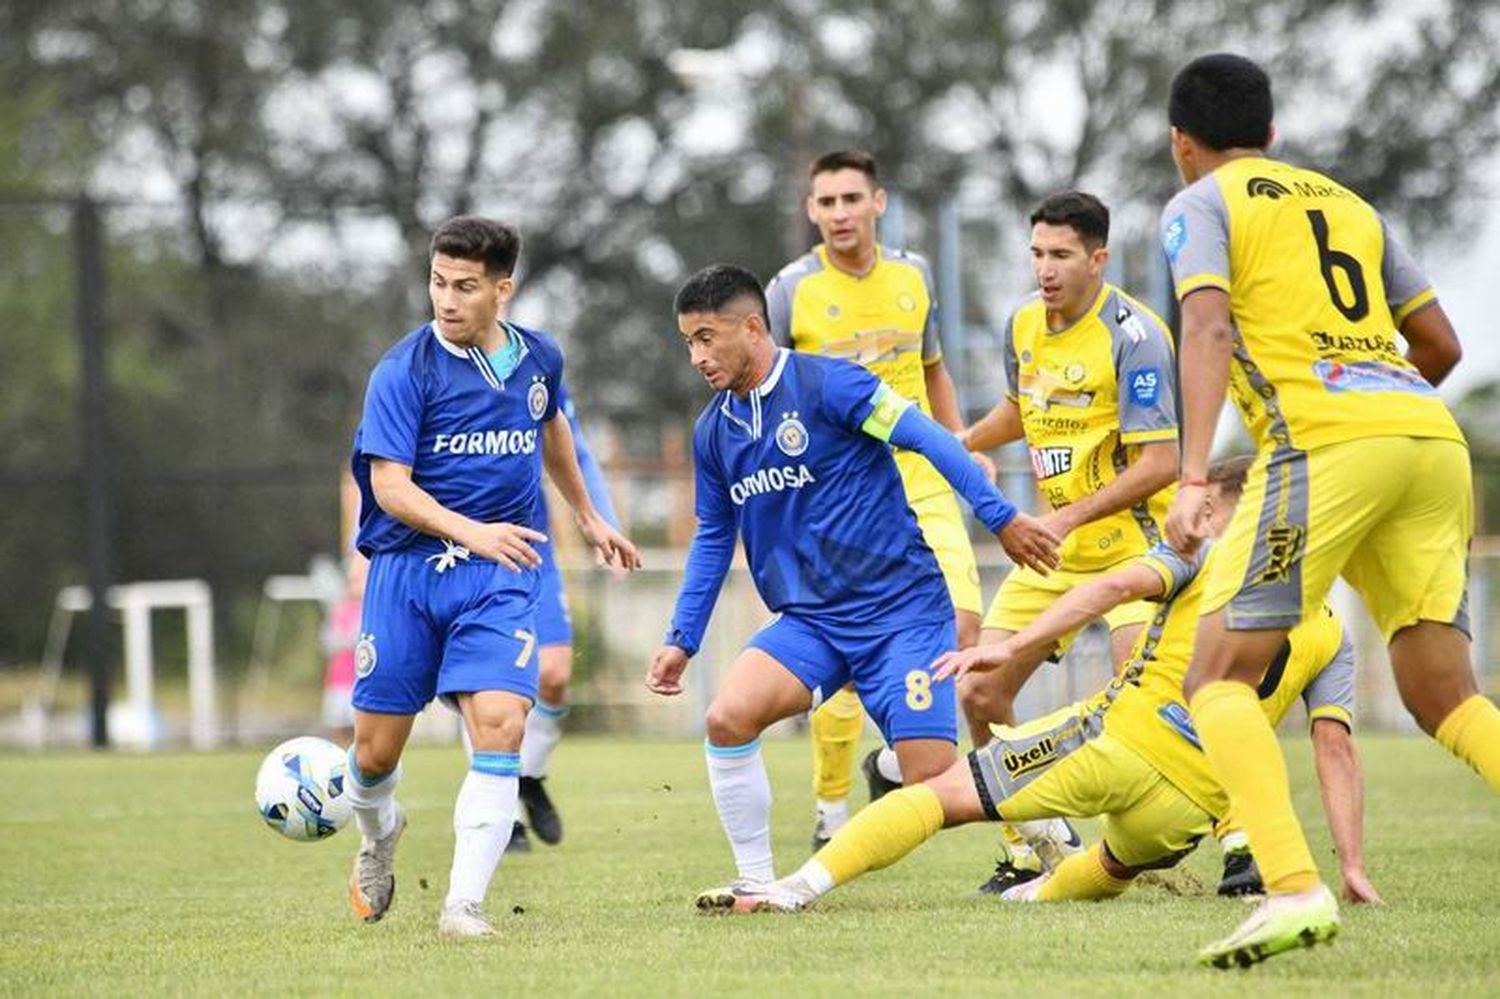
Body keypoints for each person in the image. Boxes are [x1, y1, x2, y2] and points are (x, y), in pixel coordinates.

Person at [1159, 53, 1498, 968]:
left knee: (1216, 677)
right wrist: (1378, 412)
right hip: (1428, 436)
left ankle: (1292, 888)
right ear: (1272, 134)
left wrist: (1194, 477)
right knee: (1447, 697)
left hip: (1322, 443)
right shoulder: (1351, 205)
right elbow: (1439, 342)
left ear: (1180, 143)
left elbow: (1207, 326)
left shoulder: (1200, 204)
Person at [712, 457, 1377, 914]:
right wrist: (1351, 864)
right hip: (1190, 806)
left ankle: (795, 887)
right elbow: (1335, 750)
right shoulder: (1333, 634)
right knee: (1114, 867)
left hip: (1115, 744)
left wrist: (1009, 648)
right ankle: (1031, 896)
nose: (1199, 516)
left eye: (1213, 506)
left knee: (941, 795)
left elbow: (1113, 585)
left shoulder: (1203, 564)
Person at [646, 264, 1059, 906]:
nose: (697, 356)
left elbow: (930, 439)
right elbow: (710, 537)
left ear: (752, 328)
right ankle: (754, 881)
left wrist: (1001, 517)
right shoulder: (714, 431)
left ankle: (1048, 828)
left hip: (901, 612)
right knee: (727, 717)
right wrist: (682, 638)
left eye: (706, 337)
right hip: (811, 622)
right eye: (688, 343)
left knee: (933, 783)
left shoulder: (830, 384)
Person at [345, 216, 639, 938]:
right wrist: (475, 529)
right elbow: (391, 488)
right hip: (407, 574)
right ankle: (378, 832)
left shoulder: (539, 358)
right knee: (375, 752)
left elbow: (552, 430)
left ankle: (462, 906)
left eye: (465, 286)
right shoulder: (402, 371)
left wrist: (591, 514)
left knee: (503, 724)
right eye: (438, 283)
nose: (446, 299)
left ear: (502, 289)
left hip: (498, 574)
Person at [955, 191, 1181, 891]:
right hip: (1056, 555)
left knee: (1141, 700)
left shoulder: (1136, 335)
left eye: (1061, 255)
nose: (1045, 269)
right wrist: (956, 445)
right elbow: (1021, 410)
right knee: (979, 686)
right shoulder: (1023, 322)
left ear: (1098, 258)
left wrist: (1062, 517)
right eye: (1037, 254)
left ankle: (1234, 837)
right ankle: (1037, 841)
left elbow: (1160, 464)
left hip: (1135, 554)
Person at [765, 149, 987, 847]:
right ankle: (831, 814)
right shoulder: (789, 290)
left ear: (878, 202)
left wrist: (957, 440)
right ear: (811, 210)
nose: (838, 214)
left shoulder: (913, 275)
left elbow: (932, 367)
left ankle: (894, 762)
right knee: (850, 665)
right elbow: (767, 391)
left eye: (850, 199)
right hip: (838, 498)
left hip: (919, 478)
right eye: (825, 202)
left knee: (965, 630)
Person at [509, 379, 624, 852]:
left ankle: (529, 776)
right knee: (487, 683)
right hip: (466, 551)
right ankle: (506, 819)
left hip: (534, 550)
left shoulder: (533, 371)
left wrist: (603, 522)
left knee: (554, 674)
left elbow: (574, 452)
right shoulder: (428, 371)